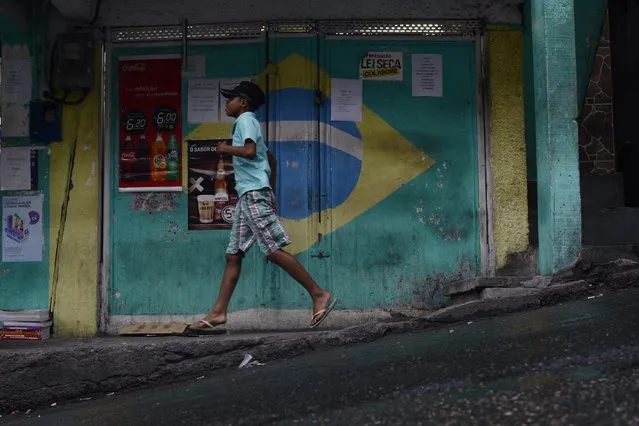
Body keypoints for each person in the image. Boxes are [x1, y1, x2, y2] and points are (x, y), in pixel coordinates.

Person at [189, 81, 337, 333]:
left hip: (254, 195)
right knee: (233, 254)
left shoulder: (245, 119)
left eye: (231, 98)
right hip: (251, 195)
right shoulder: (249, 122)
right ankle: (218, 313)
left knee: (272, 250)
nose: (227, 102)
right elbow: (270, 159)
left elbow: (249, 151)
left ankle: (318, 293)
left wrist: (225, 148)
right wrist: (272, 192)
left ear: (243, 103)